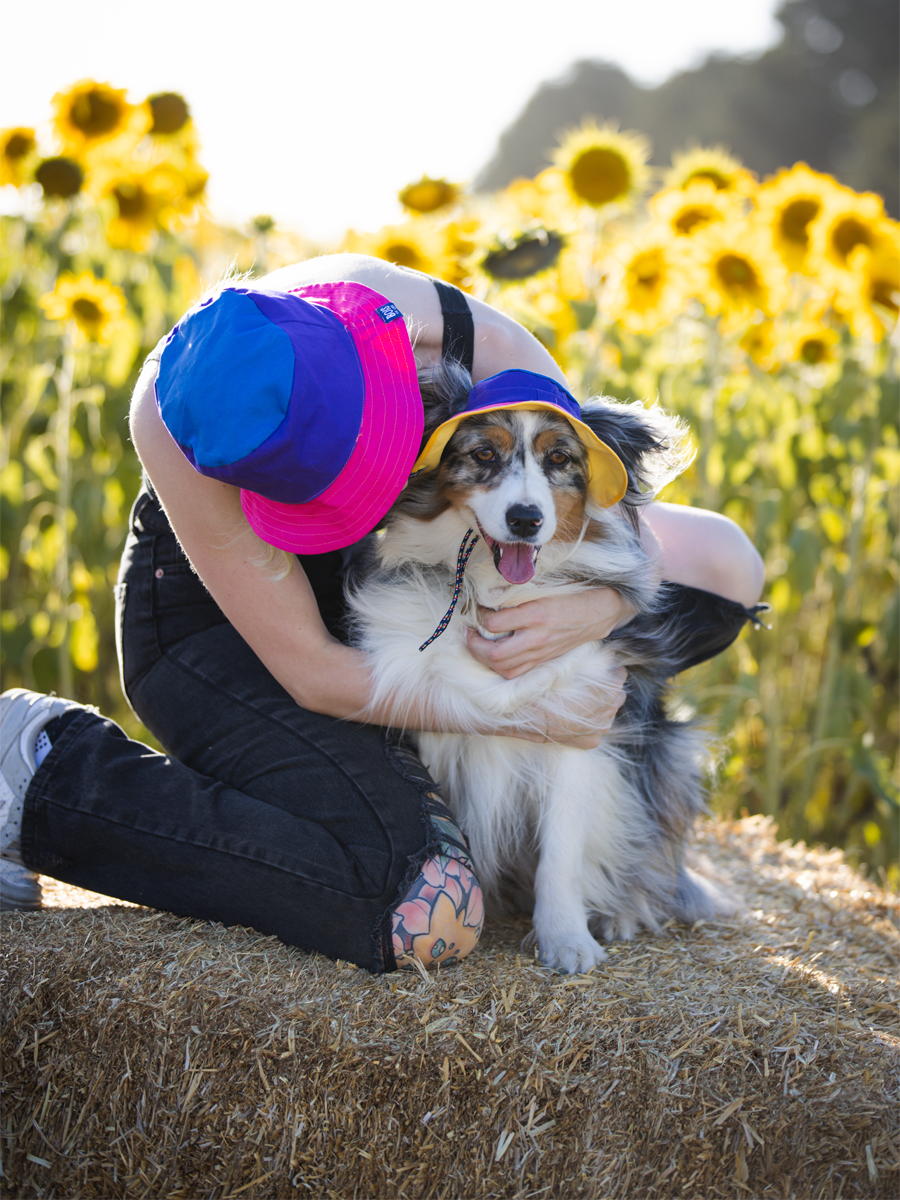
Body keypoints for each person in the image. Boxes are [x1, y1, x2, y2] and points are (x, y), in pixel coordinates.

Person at [0, 255, 766, 973]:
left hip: (412, 565)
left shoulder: (475, 340)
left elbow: (609, 514)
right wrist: (530, 715)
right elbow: (317, 674)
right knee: (411, 903)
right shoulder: (169, 413)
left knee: (725, 577)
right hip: (234, 624)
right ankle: (45, 776)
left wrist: (595, 611)